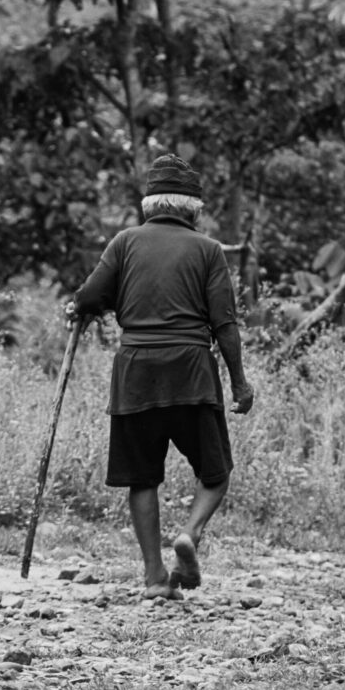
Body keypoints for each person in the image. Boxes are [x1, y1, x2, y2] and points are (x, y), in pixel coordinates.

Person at [68, 154, 254, 600]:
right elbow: (224, 323)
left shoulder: (125, 242)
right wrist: (239, 383)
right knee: (216, 472)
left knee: (142, 477)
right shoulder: (208, 250)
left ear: (150, 205)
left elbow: (91, 296)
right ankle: (189, 533)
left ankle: (154, 578)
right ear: (192, 208)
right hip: (191, 370)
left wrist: (81, 308)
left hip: (135, 372)